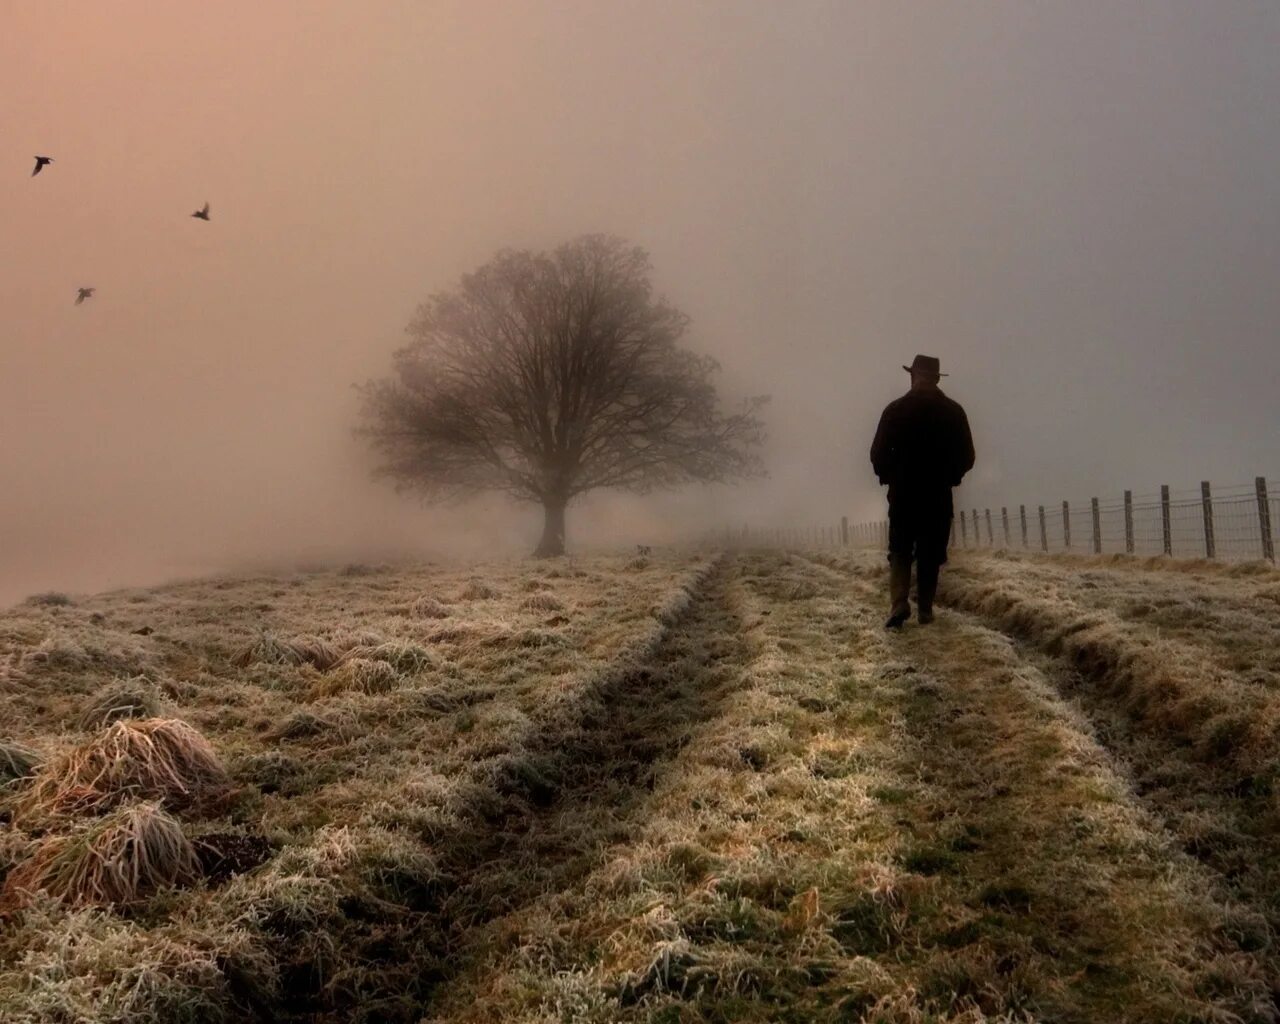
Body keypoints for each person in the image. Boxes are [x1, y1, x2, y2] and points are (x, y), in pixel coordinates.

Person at [869, 354, 975, 628]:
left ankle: (899, 603)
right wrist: (952, 476)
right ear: (937, 379)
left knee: (901, 549)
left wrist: (887, 475)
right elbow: (967, 456)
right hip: (937, 495)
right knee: (930, 552)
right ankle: (925, 610)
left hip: (903, 493)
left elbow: (877, 453)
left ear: (913, 376)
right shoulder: (954, 412)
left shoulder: (895, 410)